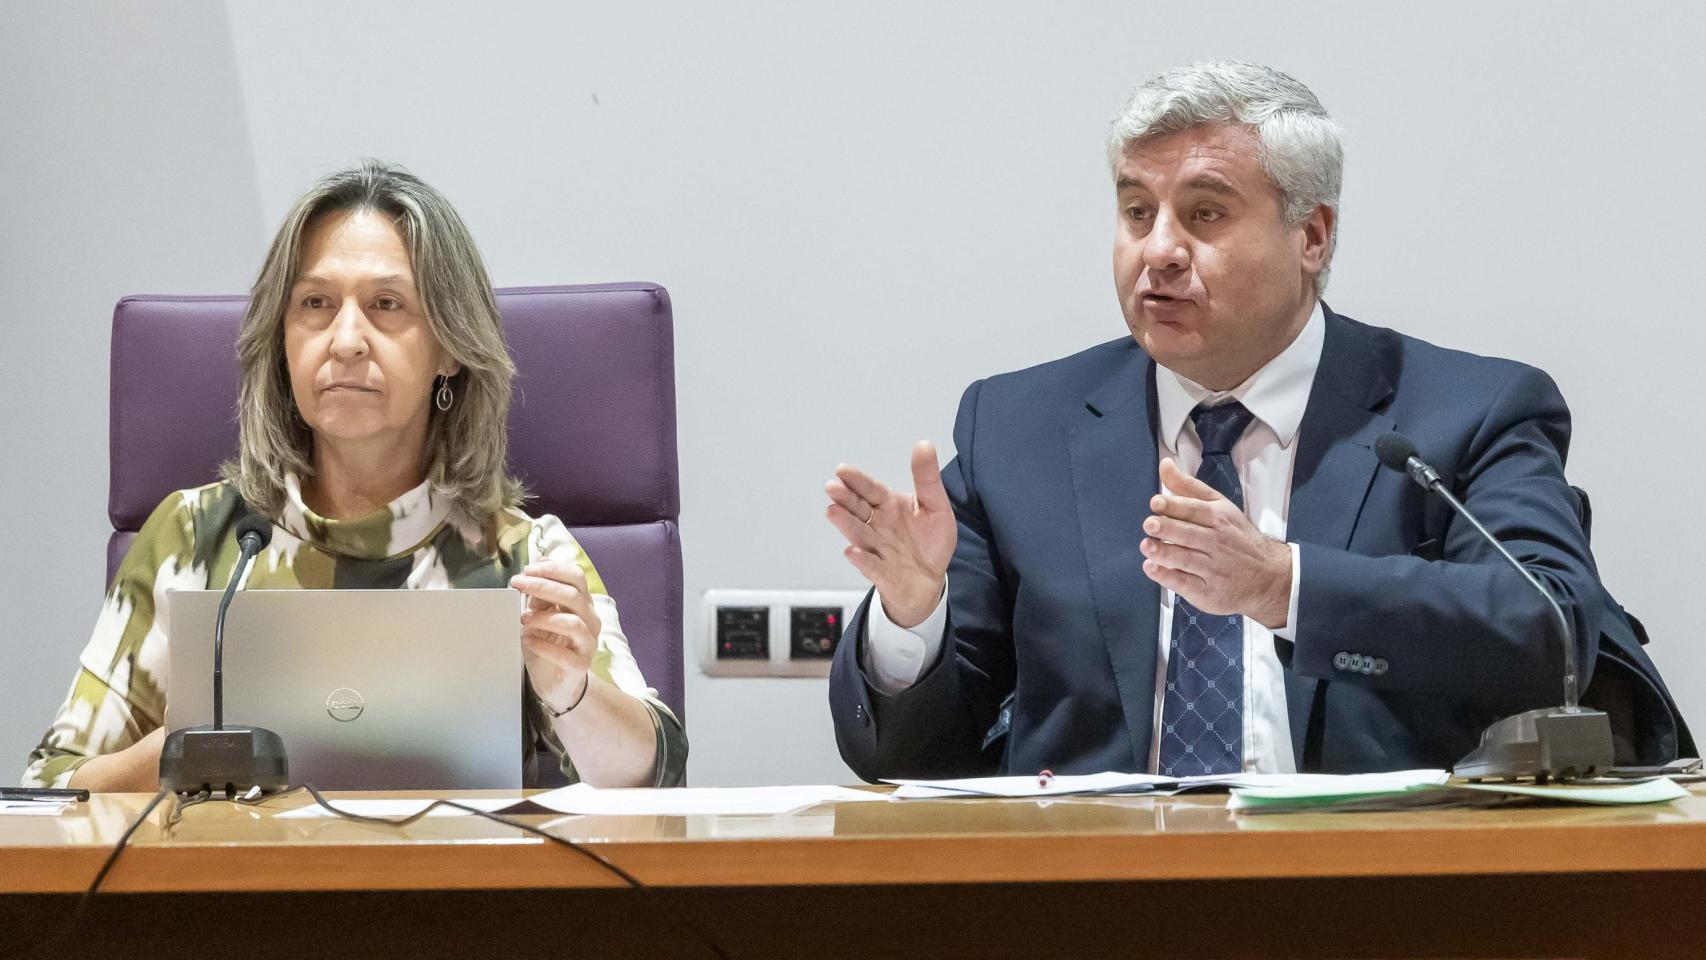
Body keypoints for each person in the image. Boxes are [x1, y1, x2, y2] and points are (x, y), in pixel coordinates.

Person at [824, 60, 1615, 780]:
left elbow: (1554, 633)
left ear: (1312, 235)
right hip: (1093, 901)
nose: (1159, 250)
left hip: (1373, 895)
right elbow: (908, 760)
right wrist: (910, 616)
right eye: (1137, 211)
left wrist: (1282, 585)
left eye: (1204, 214)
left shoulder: (1464, 413)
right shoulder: (1017, 428)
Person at [24, 161, 685, 790]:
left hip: (459, 902)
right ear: (281, 343)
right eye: (315, 303)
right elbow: (54, 789)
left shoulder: (521, 555)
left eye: (388, 305)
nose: (345, 340)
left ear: (450, 348)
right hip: (231, 904)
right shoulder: (197, 537)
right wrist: (180, 748)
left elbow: (652, 775)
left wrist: (569, 691)